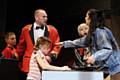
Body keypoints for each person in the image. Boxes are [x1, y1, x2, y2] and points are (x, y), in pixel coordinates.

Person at [56, 9, 120, 80]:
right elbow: (81, 42)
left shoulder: (101, 32)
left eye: (86, 16)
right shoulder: (93, 33)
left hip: (115, 68)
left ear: (91, 19)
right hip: (107, 69)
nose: (85, 18)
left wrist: (94, 57)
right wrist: (64, 43)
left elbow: (107, 49)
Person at [16, 9, 61, 79]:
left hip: (45, 61)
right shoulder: (26, 29)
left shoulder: (53, 30)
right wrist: (15, 58)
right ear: (36, 17)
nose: (46, 19)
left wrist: (50, 56)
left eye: (46, 17)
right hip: (29, 63)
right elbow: (21, 46)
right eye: (44, 17)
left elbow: (57, 45)